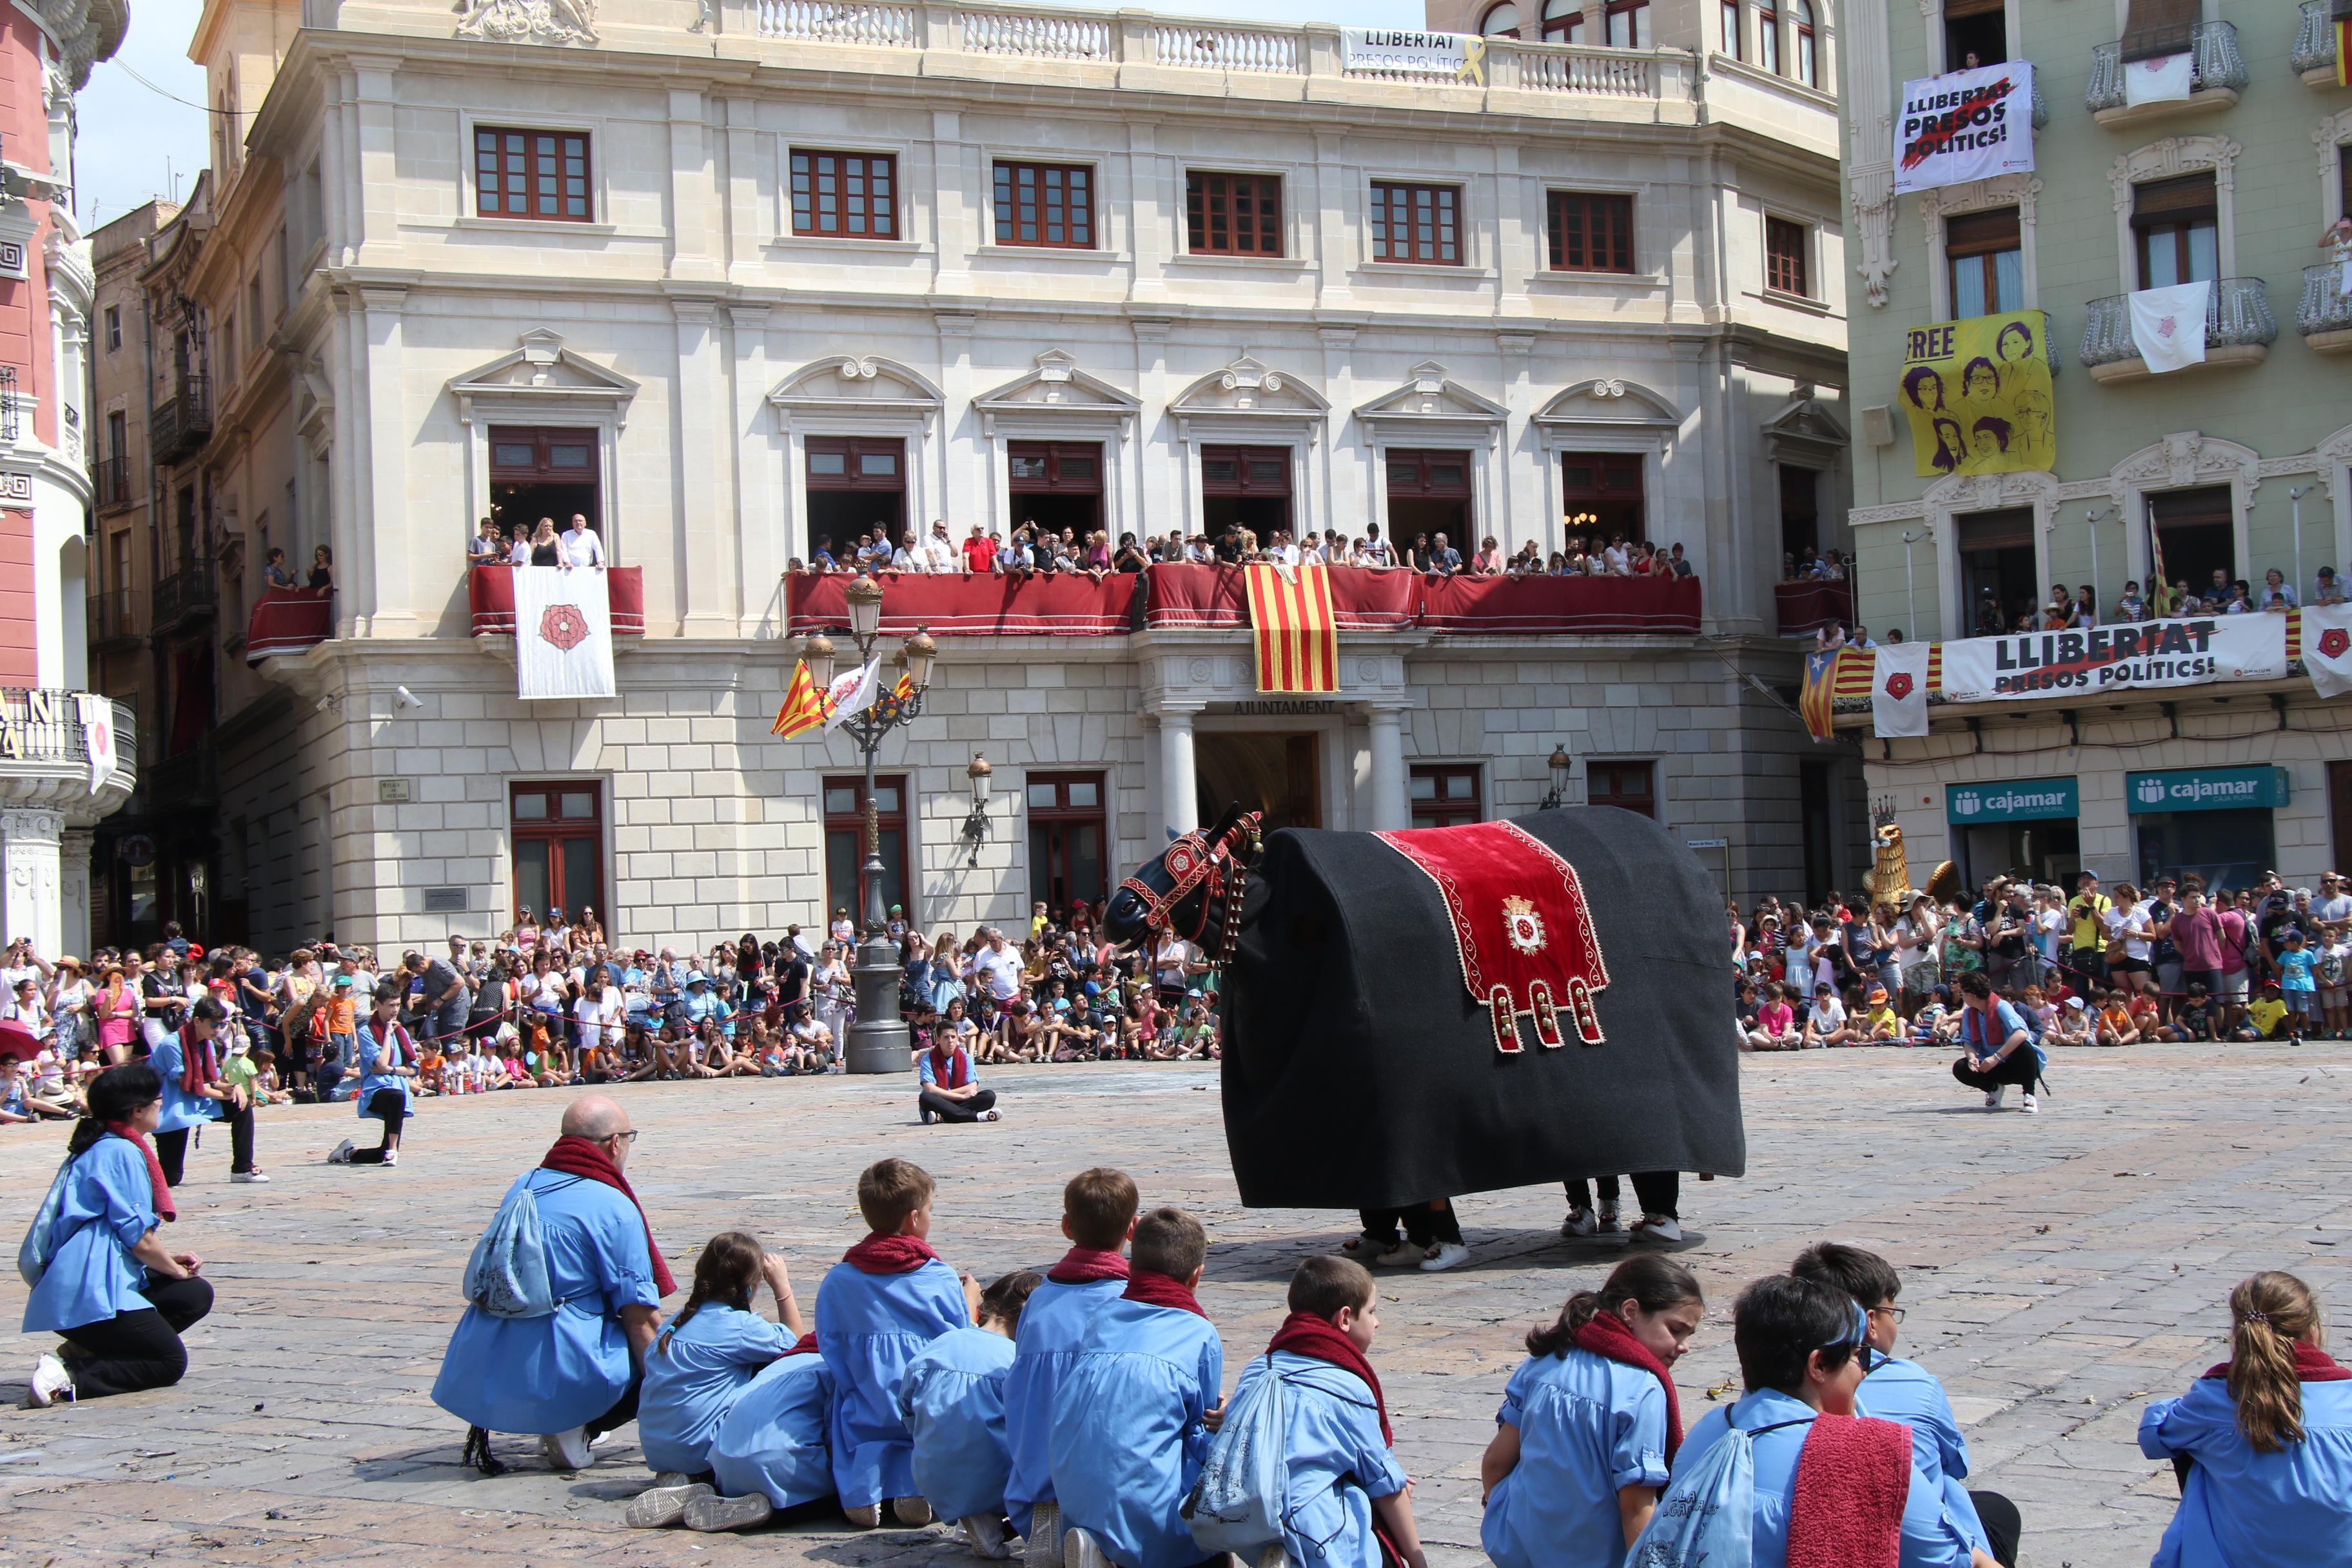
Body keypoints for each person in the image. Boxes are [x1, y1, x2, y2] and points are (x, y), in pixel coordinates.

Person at [1654, 1275, 1996, 1568]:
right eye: (1857, 1356)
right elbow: (1952, 1560)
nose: (1863, 1370)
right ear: (1818, 1366)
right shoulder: (1872, 1453)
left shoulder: (1709, 1431)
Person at [431, 1095, 674, 1473]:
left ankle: (568, 1417)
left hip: (487, 1357)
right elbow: (640, 1317)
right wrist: (673, 1400)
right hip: (561, 1364)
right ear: (615, 1143)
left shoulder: (523, 1183)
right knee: (669, 1340)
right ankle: (579, 1422)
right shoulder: (612, 1204)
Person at [1790, 1244, 2019, 1568]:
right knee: (1956, 1493)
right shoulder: (1889, 1423)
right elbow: (1949, 1470)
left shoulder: (1732, 1426)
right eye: (1857, 1359)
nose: (1863, 1371)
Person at [1482, 1255, 1703, 1567]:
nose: (1683, 1345)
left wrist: (1506, 1523)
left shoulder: (1543, 1362)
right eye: (1676, 1329)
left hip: (1522, 1549)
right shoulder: (1642, 1390)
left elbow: (1495, 1463)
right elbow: (1636, 1508)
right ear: (1631, 1311)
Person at [19, 1063, 213, 1406]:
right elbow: (139, 1239)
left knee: (192, 1294)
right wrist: (172, 1268)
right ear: (136, 1111)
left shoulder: (103, 1144)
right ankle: (69, 1374)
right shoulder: (122, 1152)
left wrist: (168, 1263)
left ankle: (90, 1348)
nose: (161, 1104)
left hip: (84, 1280)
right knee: (168, 1363)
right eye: (157, 1099)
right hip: (90, 1291)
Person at [1224, 1255, 1428, 1568]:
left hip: (1255, 1526)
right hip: (1324, 1534)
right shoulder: (1347, 1386)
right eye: (1372, 1312)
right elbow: (1386, 1487)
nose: (1377, 1322)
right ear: (1345, 1318)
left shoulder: (1258, 1368)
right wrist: (1417, 1560)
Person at [2137, 1271, 2352, 1564]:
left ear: (2238, 1330)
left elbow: (2155, 1439)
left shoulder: (2213, 1397)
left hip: (2236, 1558)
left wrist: (2177, 1406)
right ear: (2312, 1330)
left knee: (2199, 1456)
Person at [1051, 1206, 1224, 1568]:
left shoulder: (1102, 1318)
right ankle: (1142, 1549)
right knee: (1215, 1442)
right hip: (1148, 1512)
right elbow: (1200, 1421)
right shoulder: (1199, 1333)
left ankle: (1102, 1545)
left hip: (1073, 1497)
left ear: (1131, 1267)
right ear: (1197, 1277)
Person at [815, 1157, 977, 1527]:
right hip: (921, 1406)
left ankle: (863, 1492)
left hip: (864, 1400)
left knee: (854, 1417)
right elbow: (958, 1343)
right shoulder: (937, 1277)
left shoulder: (839, 1280)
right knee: (924, 1426)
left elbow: (829, 1345)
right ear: (915, 1218)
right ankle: (914, 1487)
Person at [1004, 1168, 1141, 1567]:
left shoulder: (1039, 1300)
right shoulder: (1127, 1302)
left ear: (1066, 1227)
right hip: (1096, 1456)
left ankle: (1048, 1508)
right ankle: (1096, 1537)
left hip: (1037, 1454)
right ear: (1132, 1229)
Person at [626, 1232, 807, 1527]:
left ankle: (687, 1484)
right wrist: (782, 1287)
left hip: (660, 1450)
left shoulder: (672, 1325)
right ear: (748, 1286)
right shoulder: (739, 1328)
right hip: (703, 1448)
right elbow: (796, 1346)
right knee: (783, 1379)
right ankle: (728, 1491)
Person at [901, 1269, 1044, 1558]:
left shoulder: (938, 1347)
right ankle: (990, 1514)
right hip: (988, 1475)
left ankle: (974, 1513)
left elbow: (907, 1410)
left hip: (930, 1471)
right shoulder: (1015, 1361)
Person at [148, 997, 265, 1184]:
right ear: (197, 1021)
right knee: (170, 1178)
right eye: (213, 1024)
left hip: (194, 1101)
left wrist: (236, 1088)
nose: (217, 1029)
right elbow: (191, 1086)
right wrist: (228, 1093)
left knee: (241, 1107)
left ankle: (242, 1168)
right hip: (172, 1108)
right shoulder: (171, 1044)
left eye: (221, 1024)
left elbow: (214, 1081)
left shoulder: (207, 1042)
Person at [328, 981, 417, 1166]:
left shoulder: (401, 1031)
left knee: (380, 1154)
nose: (395, 1010)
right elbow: (381, 1063)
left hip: (397, 1086)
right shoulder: (366, 1032)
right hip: (377, 1090)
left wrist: (392, 1070)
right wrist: (386, 1035)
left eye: (398, 1005)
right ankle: (393, 1151)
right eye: (391, 1005)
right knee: (397, 1097)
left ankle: (348, 1152)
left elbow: (413, 1068)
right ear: (378, 1005)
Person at [1951, 971, 2041, 1113]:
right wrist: (1972, 1058)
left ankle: (2029, 1095)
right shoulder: (1970, 1013)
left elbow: (2021, 1033)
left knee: (2024, 1048)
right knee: (1960, 1067)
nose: (1961, 997)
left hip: (2016, 1065)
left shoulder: (2001, 1006)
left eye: (1961, 993)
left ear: (1971, 995)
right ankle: (1994, 1089)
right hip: (1990, 1065)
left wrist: (1996, 1057)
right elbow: (1968, 1041)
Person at [918, 1028, 999, 1124]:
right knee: (926, 1097)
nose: (950, 1041)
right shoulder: (928, 1059)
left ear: (958, 1039)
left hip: (953, 1100)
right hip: (940, 1100)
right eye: (946, 1037)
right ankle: (976, 1117)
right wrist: (962, 1096)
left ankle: (943, 1116)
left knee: (989, 1096)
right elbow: (930, 1089)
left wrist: (952, 1096)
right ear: (938, 1040)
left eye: (953, 1037)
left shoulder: (966, 1057)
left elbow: (972, 1086)